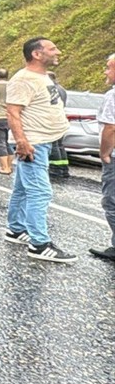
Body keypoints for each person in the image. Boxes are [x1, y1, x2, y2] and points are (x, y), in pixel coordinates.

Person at [3, 37, 75, 262]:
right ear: (36, 54)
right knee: (40, 192)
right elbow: (12, 112)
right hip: (33, 144)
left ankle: (15, 229)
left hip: (43, 140)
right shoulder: (23, 79)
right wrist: (22, 141)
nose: (58, 52)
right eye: (53, 48)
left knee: (23, 190)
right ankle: (39, 244)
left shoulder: (40, 77)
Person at [89, 53, 115, 261]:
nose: (105, 72)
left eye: (108, 68)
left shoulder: (113, 96)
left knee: (111, 201)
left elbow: (110, 128)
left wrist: (104, 152)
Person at [46, 71, 70, 178]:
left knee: (54, 144)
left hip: (53, 119)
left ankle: (55, 169)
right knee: (60, 145)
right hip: (61, 119)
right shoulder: (62, 89)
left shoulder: (52, 89)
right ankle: (64, 169)